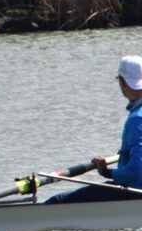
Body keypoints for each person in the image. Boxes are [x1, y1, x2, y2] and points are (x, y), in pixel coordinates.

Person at [46, 55, 142, 204]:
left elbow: (136, 171)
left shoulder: (137, 118)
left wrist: (106, 172)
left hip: (135, 192)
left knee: (56, 202)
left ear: (123, 82)